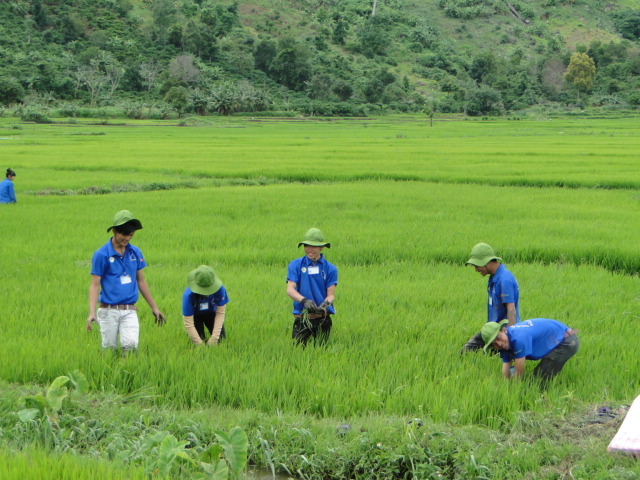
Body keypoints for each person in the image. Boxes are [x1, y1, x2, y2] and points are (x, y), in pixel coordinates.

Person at [86, 210, 165, 352]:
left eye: (131, 235)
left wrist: (154, 307)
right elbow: (94, 285)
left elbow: (141, 281)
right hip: (108, 310)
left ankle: (127, 372)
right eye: (124, 234)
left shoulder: (135, 252)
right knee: (109, 349)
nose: (127, 238)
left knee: (130, 346)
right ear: (115, 231)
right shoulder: (101, 255)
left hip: (129, 310)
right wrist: (91, 312)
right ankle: (110, 373)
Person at [481, 318, 579, 383]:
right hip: (553, 340)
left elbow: (518, 374)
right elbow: (507, 365)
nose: (499, 344)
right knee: (536, 377)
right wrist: (505, 385)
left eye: (498, 338)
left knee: (538, 378)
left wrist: (514, 390)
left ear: (503, 330)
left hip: (567, 341)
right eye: (494, 344)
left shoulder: (519, 338)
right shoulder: (505, 343)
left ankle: (541, 399)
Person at [461, 242, 520, 352]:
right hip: (492, 329)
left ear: (486, 263)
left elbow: (511, 308)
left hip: (501, 332)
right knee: (466, 352)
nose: (476, 269)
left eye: (477, 266)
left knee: (469, 352)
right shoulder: (494, 277)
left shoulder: (504, 280)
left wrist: (510, 336)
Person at [286, 228, 338, 346]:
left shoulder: (330, 269)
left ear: (321, 247)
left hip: (323, 318)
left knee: (321, 352)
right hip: (302, 318)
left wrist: (325, 304)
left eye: (314, 246)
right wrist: (304, 300)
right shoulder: (296, 265)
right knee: (298, 352)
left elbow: (331, 295)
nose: (309, 249)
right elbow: (290, 289)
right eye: (307, 245)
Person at [182, 265, 229, 346]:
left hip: (212, 314)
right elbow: (188, 322)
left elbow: (220, 313)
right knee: (198, 342)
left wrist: (214, 337)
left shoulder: (220, 289)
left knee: (221, 340)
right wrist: (199, 344)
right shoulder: (188, 295)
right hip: (195, 317)